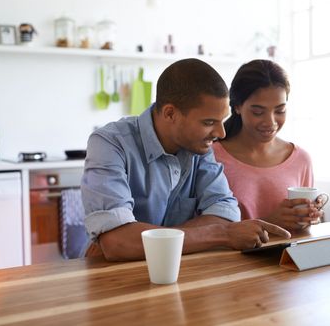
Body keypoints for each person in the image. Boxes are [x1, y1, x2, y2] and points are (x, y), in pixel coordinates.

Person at [81, 58, 290, 261]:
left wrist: (142, 239)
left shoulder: (198, 145)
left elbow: (225, 213)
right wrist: (222, 234)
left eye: (221, 121)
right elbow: (118, 243)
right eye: (209, 122)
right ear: (170, 113)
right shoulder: (109, 143)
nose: (221, 133)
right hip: (111, 279)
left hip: (182, 273)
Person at [213, 59, 324, 231]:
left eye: (280, 110)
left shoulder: (300, 159)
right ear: (237, 107)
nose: (270, 122)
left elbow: (303, 229)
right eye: (258, 112)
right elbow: (207, 230)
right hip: (232, 258)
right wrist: (269, 223)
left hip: (289, 257)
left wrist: (309, 217)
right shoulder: (211, 157)